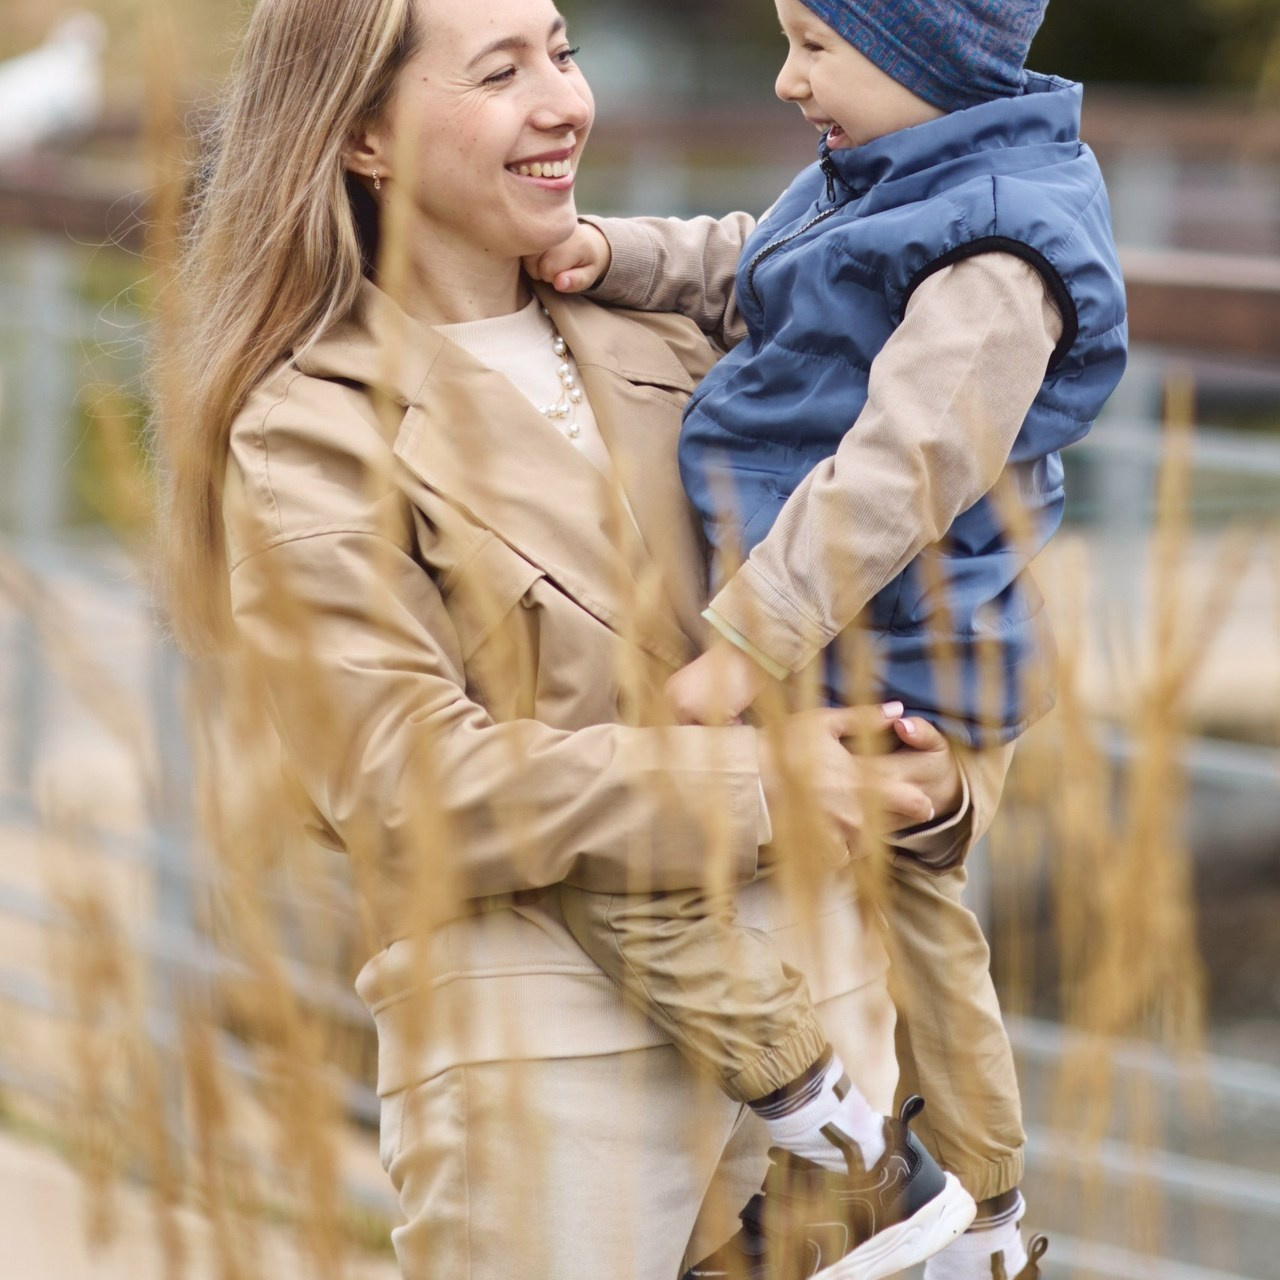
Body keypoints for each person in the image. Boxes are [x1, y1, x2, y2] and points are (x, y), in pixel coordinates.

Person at [154, 1, 1016, 1279]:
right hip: (549, 1051)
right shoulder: (307, 428)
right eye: (501, 71)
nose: (565, 101)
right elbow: (405, 782)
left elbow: (934, 586)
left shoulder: (685, 325)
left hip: (838, 1020)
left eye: (560, 51)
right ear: (361, 138)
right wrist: (774, 781)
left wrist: (946, 781)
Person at [528, 1, 1128, 1277]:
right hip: (829, 639)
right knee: (880, 921)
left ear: (926, 59)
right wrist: (614, 252)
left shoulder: (999, 256)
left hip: (903, 659)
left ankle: (944, 1187)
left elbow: (897, 473)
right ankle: (897, 1187)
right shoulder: (882, 177)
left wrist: (744, 646)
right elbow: (760, 266)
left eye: (816, 45)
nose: (787, 77)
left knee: (905, 921)